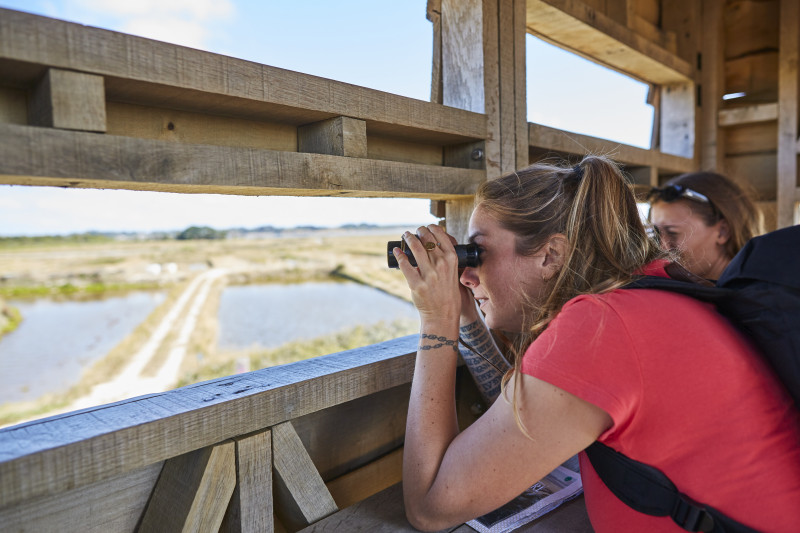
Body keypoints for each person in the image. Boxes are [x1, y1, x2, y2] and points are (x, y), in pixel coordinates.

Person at [391, 155, 800, 533]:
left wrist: (435, 319)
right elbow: (522, 420)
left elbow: (431, 506)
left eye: (477, 252)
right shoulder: (652, 289)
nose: (466, 274)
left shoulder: (600, 327)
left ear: (551, 255)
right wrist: (464, 317)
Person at [648, 171, 763, 280]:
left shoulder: (758, 297)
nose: (661, 248)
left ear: (723, 232)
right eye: (656, 233)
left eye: (672, 233)